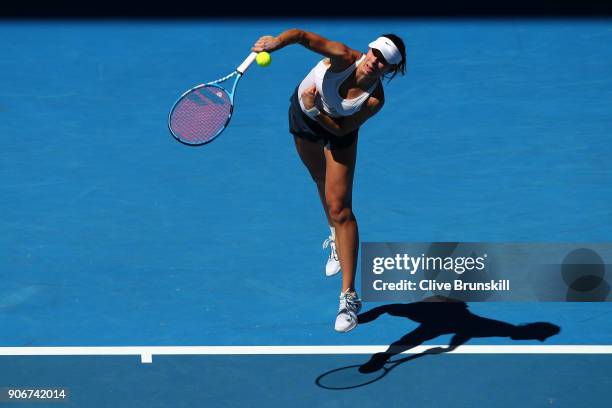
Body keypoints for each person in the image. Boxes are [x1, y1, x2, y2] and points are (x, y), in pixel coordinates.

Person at [251, 29, 407, 332]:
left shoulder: (374, 99)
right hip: (303, 117)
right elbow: (302, 36)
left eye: (384, 61)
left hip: (337, 130)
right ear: (369, 49)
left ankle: (349, 297)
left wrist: (315, 109)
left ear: (390, 69)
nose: (375, 61)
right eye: (375, 53)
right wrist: (275, 43)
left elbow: (340, 130)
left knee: (342, 210)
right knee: (319, 177)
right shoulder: (342, 57)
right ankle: (335, 237)